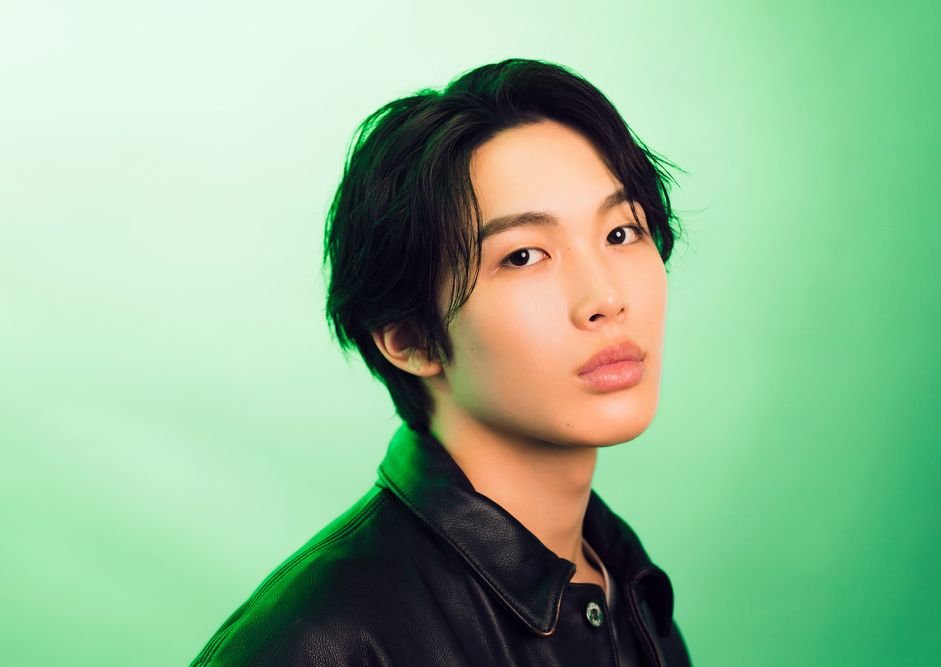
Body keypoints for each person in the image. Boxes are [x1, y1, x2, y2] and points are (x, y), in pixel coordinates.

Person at [191, 57, 692, 666]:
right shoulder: (319, 642)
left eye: (621, 233)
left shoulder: (626, 587)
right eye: (524, 256)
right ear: (410, 339)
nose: (606, 299)